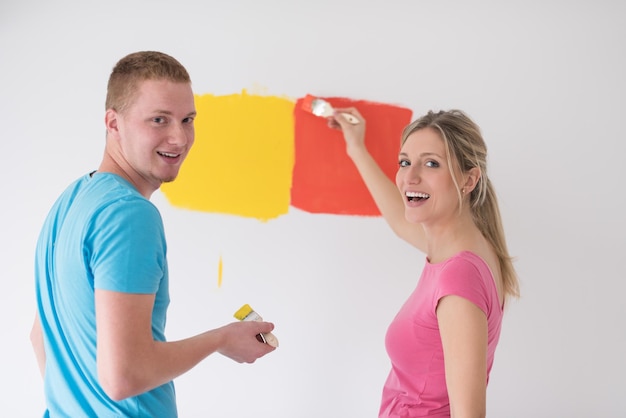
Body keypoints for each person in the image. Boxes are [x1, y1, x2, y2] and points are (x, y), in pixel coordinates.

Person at [29, 51, 276, 417]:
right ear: (113, 123)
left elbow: (40, 338)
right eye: (159, 120)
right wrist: (222, 339)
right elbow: (125, 377)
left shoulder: (73, 199)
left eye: (187, 119)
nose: (179, 137)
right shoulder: (130, 215)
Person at [329, 108, 520, 417]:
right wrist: (356, 147)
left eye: (431, 163)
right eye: (405, 162)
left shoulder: (459, 278)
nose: (410, 176)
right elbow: (399, 219)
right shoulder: (465, 249)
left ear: (469, 179)